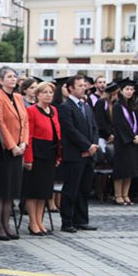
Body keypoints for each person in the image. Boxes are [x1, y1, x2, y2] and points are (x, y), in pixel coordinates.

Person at [57, 75, 99, 233]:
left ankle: (81, 219)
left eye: (84, 85)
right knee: (71, 189)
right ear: (71, 89)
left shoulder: (86, 106)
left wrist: (93, 145)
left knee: (84, 189)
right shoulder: (65, 107)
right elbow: (70, 131)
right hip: (75, 154)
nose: (84, 88)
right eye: (80, 86)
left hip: (89, 154)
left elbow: (94, 127)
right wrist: (86, 146)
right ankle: (67, 221)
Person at [0, 67, 28, 240]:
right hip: (5, 150)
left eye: (15, 76)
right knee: (0, 189)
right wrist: (12, 146)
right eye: (9, 76)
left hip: (19, 148)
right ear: (0, 80)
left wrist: (23, 142)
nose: (14, 79)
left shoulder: (19, 98)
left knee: (11, 190)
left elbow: (25, 122)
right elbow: (1, 123)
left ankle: (7, 225)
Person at [23, 82, 60, 235]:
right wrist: (28, 158)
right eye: (44, 92)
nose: (48, 95)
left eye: (50, 92)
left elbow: (56, 132)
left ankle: (40, 220)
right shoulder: (31, 111)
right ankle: (33, 222)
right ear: (37, 95)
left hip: (50, 153)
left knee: (44, 192)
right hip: (37, 153)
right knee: (34, 191)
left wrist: (58, 154)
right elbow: (29, 136)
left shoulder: (53, 110)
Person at [110, 80, 138, 205]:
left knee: (131, 170)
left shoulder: (132, 106)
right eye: (127, 89)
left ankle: (125, 194)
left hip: (133, 142)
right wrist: (131, 137)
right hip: (123, 142)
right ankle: (118, 195)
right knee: (121, 170)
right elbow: (119, 124)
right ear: (121, 91)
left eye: (131, 89)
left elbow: (136, 123)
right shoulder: (117, 106)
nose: (129, 92)